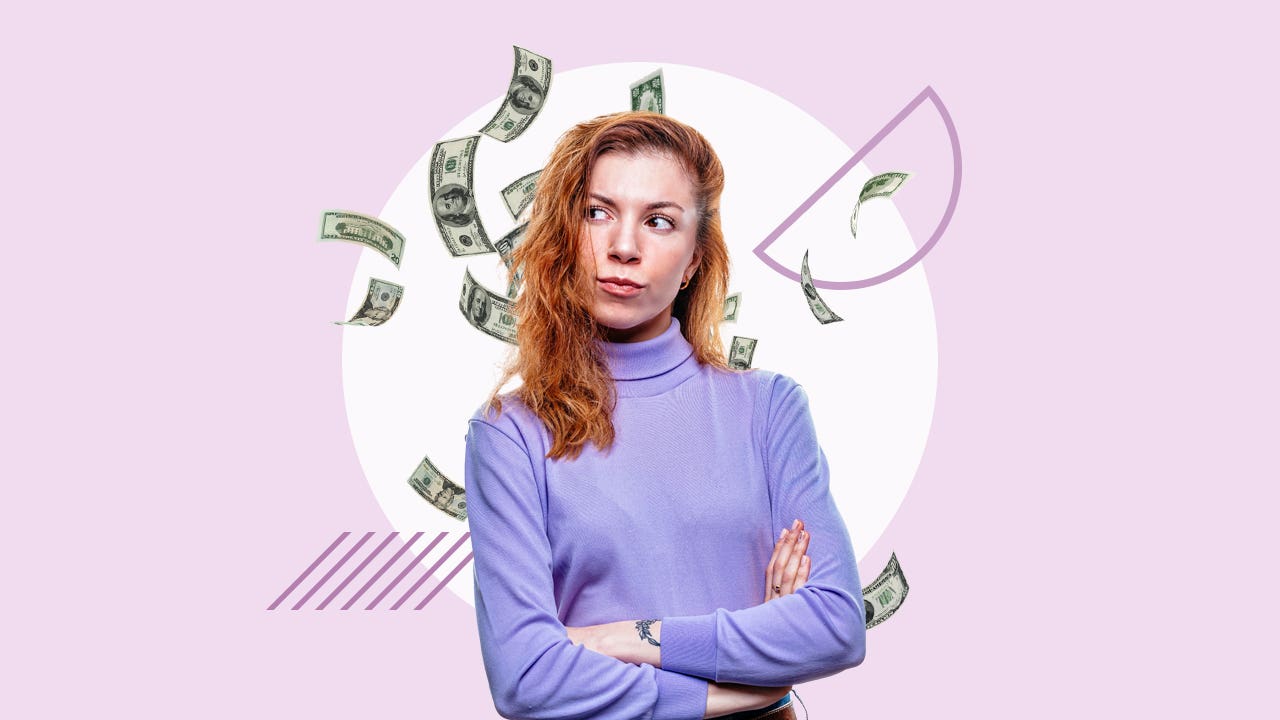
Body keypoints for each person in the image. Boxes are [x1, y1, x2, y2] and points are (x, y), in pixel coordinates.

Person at [465, 111, 865, 720]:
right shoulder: (509, 434)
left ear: (696, 260)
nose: (623, 247)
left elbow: (836, 626)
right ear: (564, 234)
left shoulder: (769, 409)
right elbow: (525, 677)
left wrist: (616, 638)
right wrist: (730, 685)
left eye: (659, 222)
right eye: (597, 213)